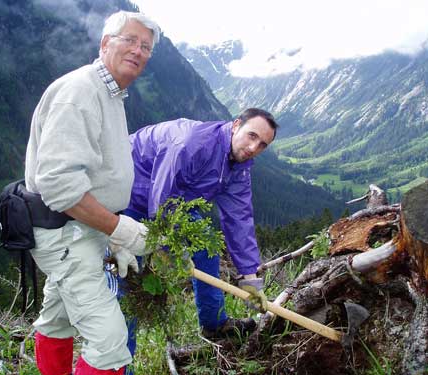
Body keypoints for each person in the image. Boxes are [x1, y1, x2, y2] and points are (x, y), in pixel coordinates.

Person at [24, 11, 160, 375]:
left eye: (145, 46)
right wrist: (119, 229)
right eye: (129, 40)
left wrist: (110, 237)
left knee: (57, 318)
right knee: (110, 342)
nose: (138, 51)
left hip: (79, 229)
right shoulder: (81, 92)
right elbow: (59, 185)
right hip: (65, 231)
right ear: (104, 43)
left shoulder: (109, 93)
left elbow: (95, 176)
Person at [107, 108, 278, 347]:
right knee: (130, 278)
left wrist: (250, 278)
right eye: (252, 135)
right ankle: (121, 364)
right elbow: (161, 200)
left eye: (262, 145)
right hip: (130, 196)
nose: (253, 148)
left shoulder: (239, 165)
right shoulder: (191, 144)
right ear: (236, 125)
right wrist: (170, 251)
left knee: (207, 246)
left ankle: (214, 324)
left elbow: (239, 220)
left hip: (175, 203)